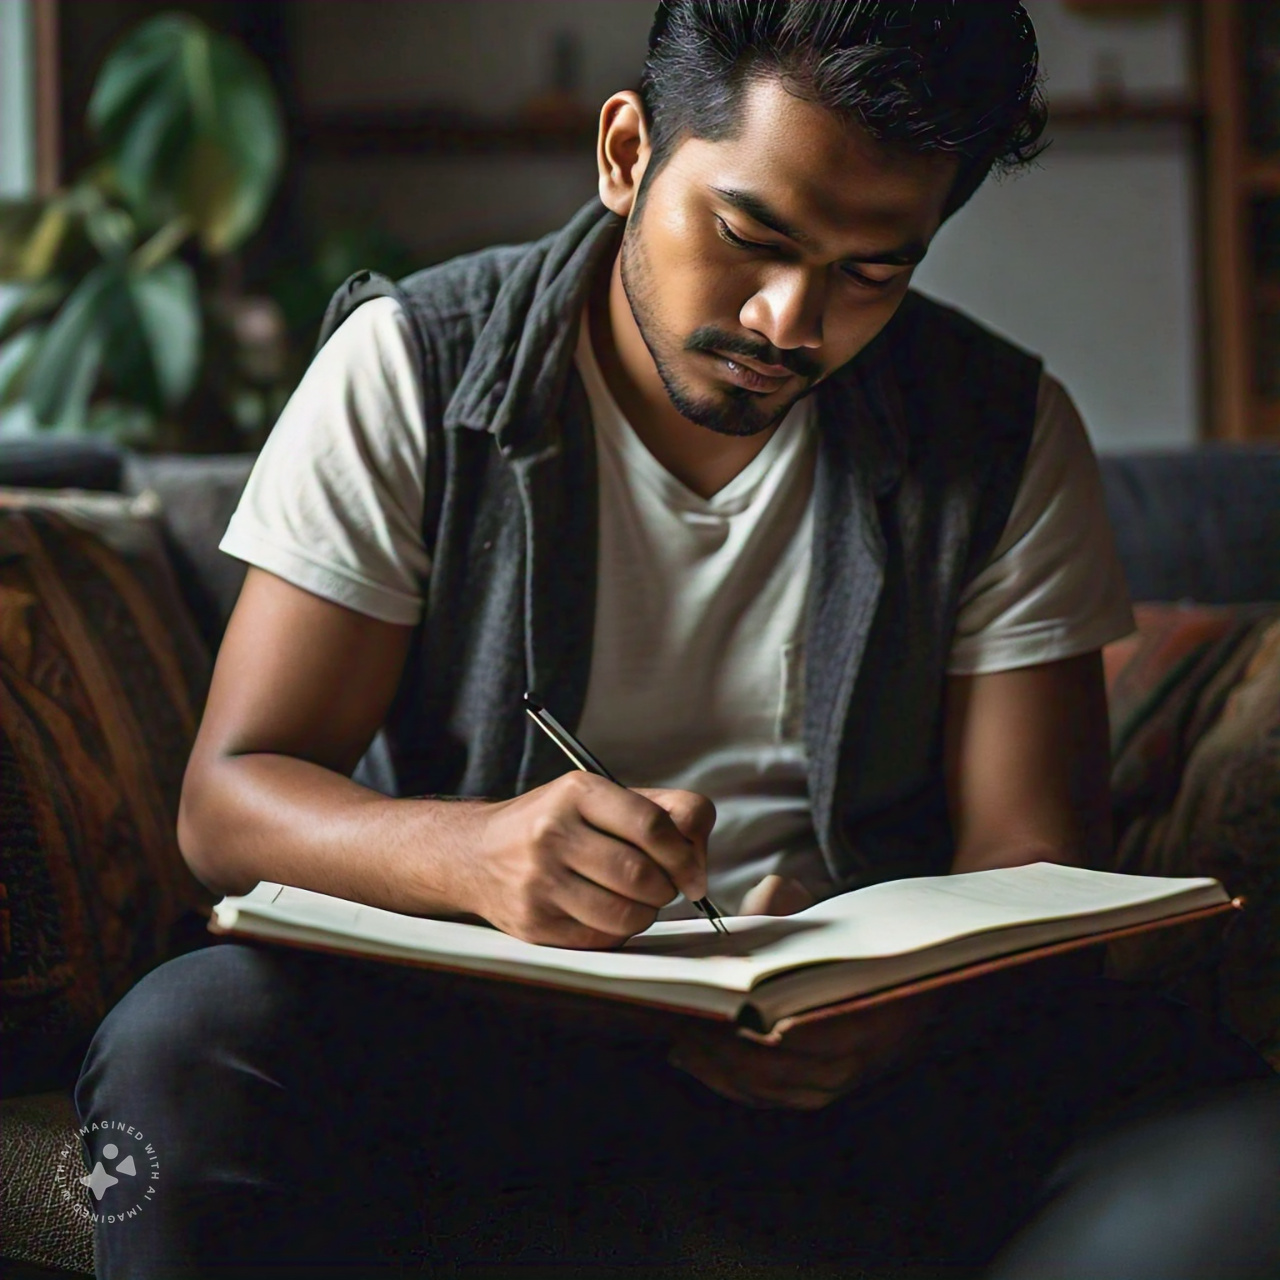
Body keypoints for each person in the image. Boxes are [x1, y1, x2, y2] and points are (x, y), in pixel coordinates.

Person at [76, 2, 1280, 1277]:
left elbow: (1034, 859)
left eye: (872, 271)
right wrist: (475, 853)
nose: (787, 321)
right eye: (749, 235)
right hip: (482, 1030)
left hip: (860, 1079)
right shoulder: (414, 370)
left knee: (1222, 1128)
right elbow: (228, 799)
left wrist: (894, 1005)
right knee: (190, 1042)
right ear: (623, 152)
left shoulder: (995, 428)